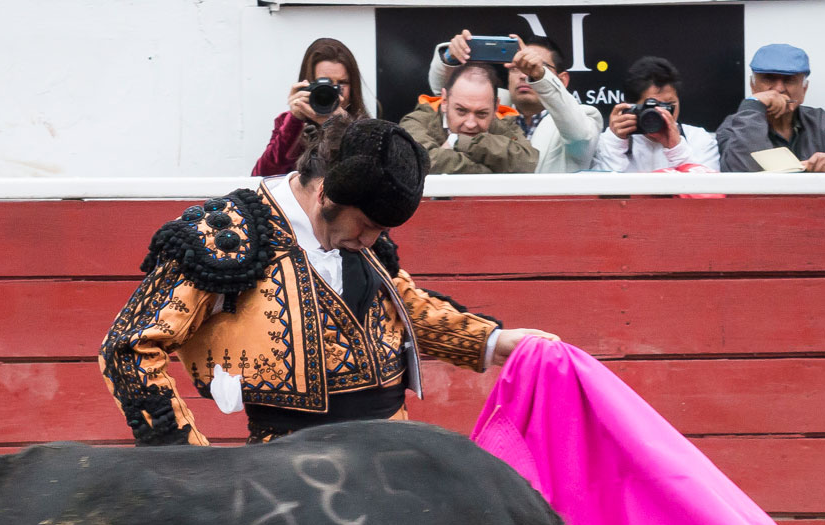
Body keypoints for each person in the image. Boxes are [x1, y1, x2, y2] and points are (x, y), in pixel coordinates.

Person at [101, 115, 556, 445]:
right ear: (325, 195)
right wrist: (189, 465)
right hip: (290, 482)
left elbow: (402, 306)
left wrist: (495, 342)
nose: (373, 240)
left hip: (396, 458)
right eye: (366, 225)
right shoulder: (224, 236)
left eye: (382, 230)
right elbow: (127, 347)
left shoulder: (360, 233)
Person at [426, 30, 603, 172]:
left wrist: (540, 76)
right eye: (516, 67)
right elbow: (449, 95)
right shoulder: (491, 107)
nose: (524, 75)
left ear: (562, 80)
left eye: (533, 66)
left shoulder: (585, 116)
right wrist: (450, 57)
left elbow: (581, 135)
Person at [716, 44, 825, 173]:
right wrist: (753, 106)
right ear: (753, 86)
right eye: (768, 78)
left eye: (789, 80)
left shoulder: (821, 122)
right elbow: (743, 171)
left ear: (804, 89)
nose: (778, 89)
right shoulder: (735, 124)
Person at [252, 38, 368, 178]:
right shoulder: (289, 123)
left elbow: (364, 177)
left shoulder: (365, 127)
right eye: (325, 84)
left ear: (353, 86)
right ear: (307, 84)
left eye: (342, 83)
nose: (331, 92)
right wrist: (294, 120)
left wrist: (341, 124)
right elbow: (262, 176)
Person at [399, 62, 538, 175]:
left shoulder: (505, 125)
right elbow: (422, 163)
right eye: (461, 111)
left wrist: (461, 142)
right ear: (445, 101)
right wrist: (490, 172)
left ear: (496, 106)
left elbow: (528, 163)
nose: (471, 124)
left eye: (481, 114)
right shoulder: (417, 122)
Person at [591, 56, 719, 173]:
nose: (660, 112)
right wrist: (616, 143)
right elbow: (602, 191)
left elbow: (709, 192)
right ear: (629, 106)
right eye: (652, 105)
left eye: (668, 104)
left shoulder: (699, 139)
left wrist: (676, 148)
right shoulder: (608, 141)